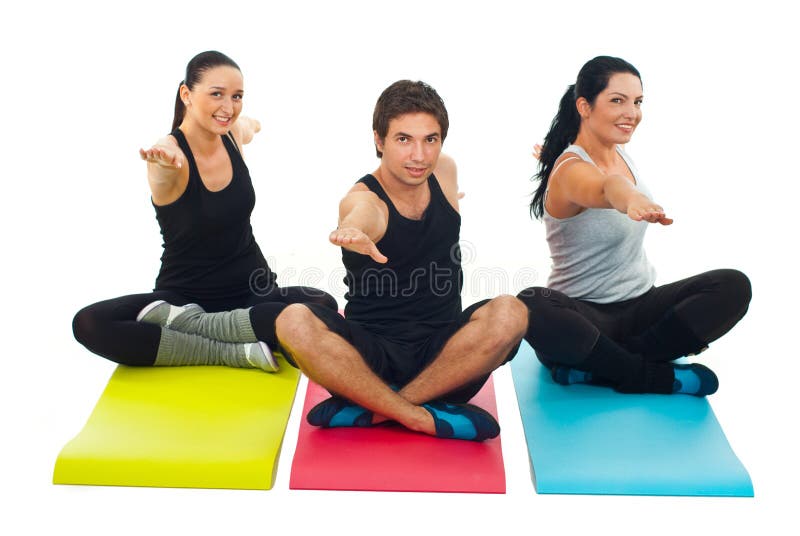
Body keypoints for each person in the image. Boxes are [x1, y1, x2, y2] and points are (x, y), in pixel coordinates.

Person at [263, 80, 527, 441]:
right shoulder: (363, 198)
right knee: (291, 321)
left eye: (430, 139)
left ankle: (377, 411)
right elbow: (363, 212)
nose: (419, 155)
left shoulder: (445, 171)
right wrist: (355, 230)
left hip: (446, 360)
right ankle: (421, 417)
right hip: (368, 362)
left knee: (512, 311)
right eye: (404, 139)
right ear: (379, 139)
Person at [72, 51, 336, 372]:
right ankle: (227, 350)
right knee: (89, 323)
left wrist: (251, 123)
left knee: (324, 306)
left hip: (254, 292)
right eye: (216, 94)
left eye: (236, 96)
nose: (228, 107)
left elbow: (247, 125)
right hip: (184, 300)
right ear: (187, 94)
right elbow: (164, 162)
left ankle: (208, 332)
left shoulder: (233, 134)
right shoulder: (168, 156)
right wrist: (164, 158)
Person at [518, 56, 751, 396]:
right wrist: (630, 200)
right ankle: (651, 375)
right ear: (584, 106)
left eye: (637, 102)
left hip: (642, 308)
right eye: (617, 100)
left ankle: (604, 369)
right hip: (584, 320)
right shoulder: (571, 170)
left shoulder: (618, 153)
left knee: (733, 286)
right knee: (531, 303)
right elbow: (605, 187)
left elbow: (607, 174)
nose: (632, 113)